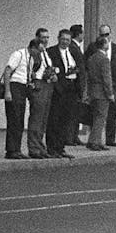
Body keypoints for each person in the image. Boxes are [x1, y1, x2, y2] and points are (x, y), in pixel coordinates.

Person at [46, 29, 81, 159]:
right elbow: (49, 70)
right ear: (58, 38)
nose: (65, 42)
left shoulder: (73, 52)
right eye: (63, 39)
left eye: (67, 40)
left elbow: (79, 69)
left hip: (71, 89)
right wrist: (57, 85)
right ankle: (52, 148)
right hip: (58, 89)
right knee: (54, 119)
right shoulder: (51, 52)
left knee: (66, 119)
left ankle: (60, 147)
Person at [94, 25, 116, 147]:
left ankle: (110, 139)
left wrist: (115, 83)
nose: (105, 37)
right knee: (98, 113)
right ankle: (96, 139)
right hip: (99, 87)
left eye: (107, 34)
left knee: (112, 112)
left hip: (113, 85)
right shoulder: (94, 47)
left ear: (110, 34)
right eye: (102, 35)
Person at [83, 38, 113, 151]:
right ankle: (94, 141)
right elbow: (107, 78)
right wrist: (110, 93)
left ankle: (95, 140)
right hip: (101, 92)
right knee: (101, 117)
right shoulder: (104, 59)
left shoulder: (91, 58)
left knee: (95, 117)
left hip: (93, 91)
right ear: (104, 45)